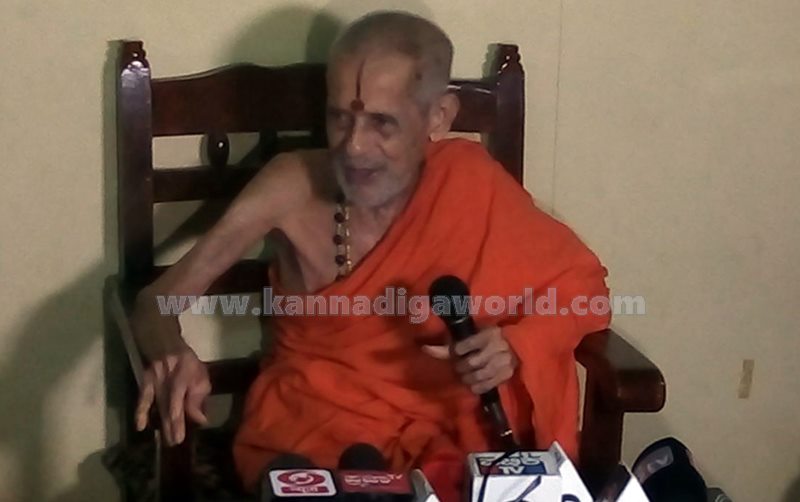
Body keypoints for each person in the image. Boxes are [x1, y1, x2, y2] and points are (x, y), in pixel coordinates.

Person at [130, 10, 611, 497]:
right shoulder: (291, 186)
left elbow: (583, 289)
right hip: (312, 431)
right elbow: (156, 302)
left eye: (382, 123)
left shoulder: (470, 182)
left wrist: (516, 346)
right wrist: (171, 351)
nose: (355, 147)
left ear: (438, 117)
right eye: (340, 118)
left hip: (452, 436)